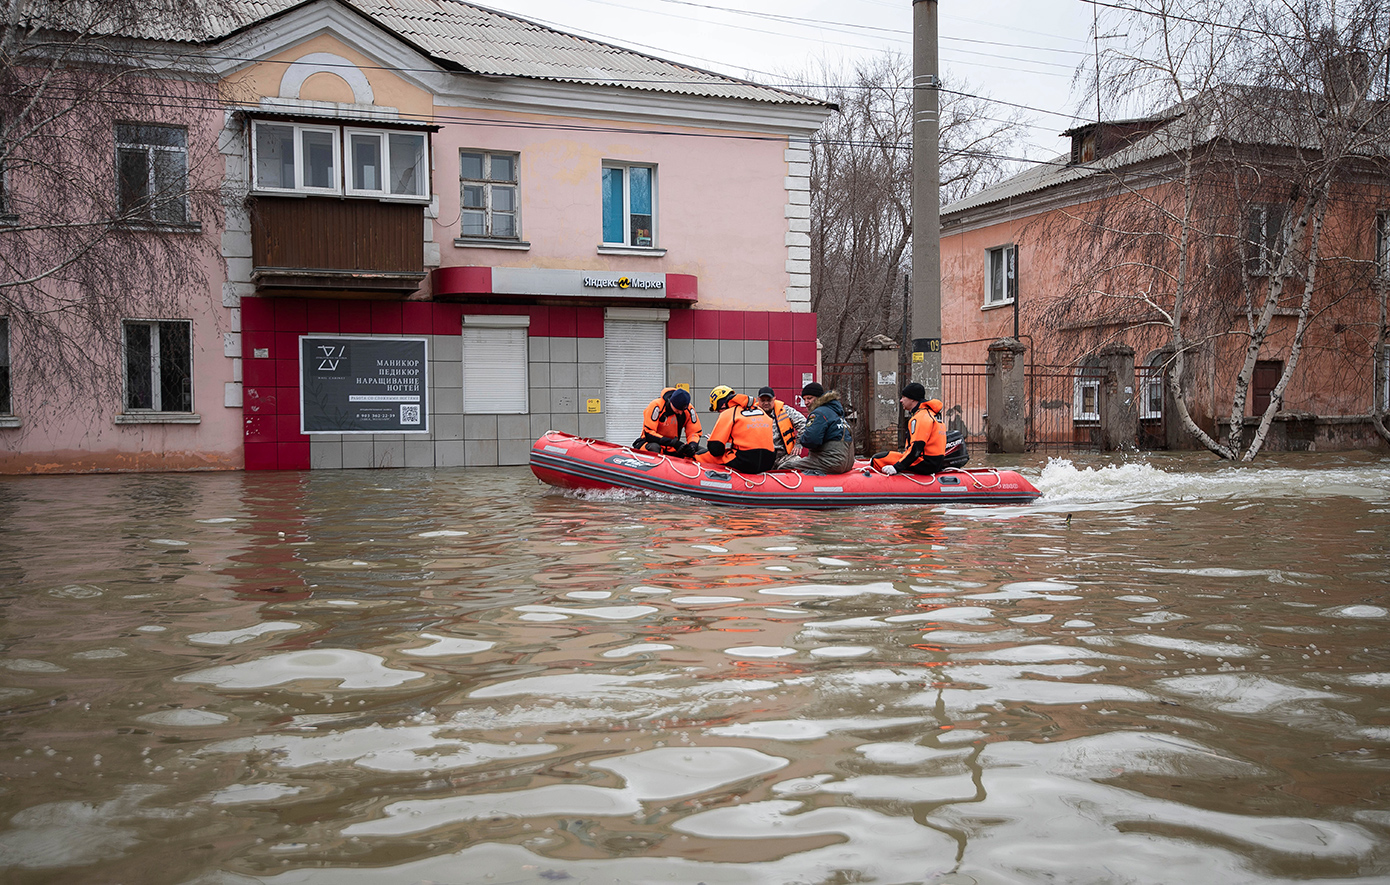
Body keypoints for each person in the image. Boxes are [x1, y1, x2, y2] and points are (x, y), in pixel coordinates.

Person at [696, 385, 778, 474]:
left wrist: (711, 442)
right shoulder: (760, 411)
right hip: (768, 461)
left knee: (701, 455)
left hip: (745, 461)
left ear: (722, 404)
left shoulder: (729, 413)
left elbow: (715, 449)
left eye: (718, 410)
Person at [870, 382, 947, 475]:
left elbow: (916, 448)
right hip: (934, 462)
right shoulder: (931, 414)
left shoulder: (921, 417)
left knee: (878, 459)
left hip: (925, 463)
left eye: (903, 397)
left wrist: (897, 467)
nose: (901, 400)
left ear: (912, 399)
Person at [780, 382, 855, 474]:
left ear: (819, 398)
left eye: (809, 398)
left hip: (831, 462)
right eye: (804, 399)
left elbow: (811, 440)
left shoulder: (819, 413)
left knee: (785, 466)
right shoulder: (837, 414)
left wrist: (801, 440)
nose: (806, 402)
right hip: (847, 463)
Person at [633, 387, 702, 457]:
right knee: (654, 447)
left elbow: (694, 432)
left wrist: (692, 446)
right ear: (671, 402)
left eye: (682, 410)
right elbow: (649, 433)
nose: (680, 413)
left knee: (700, 452)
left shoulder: (688, 410)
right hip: (650, 443)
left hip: (672, 448)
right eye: (678, 409)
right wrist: (673, 443)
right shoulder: (657, 406)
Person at [755, 386, 806, 466]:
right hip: (760, 458)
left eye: (769, 400)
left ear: (774, 399)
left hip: (784, 457)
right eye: (763, 400)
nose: (766, 403)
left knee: (800, 464)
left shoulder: (786, 411)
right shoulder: (751, 414)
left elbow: (804, 425)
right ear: (758, 400)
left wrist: (798, 444)